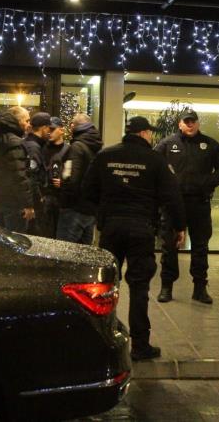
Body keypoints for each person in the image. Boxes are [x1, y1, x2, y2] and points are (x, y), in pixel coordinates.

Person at [83, 116, 186, 361]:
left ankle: (103, 341)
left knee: (106, 286)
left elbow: (87, 190)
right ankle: (140, 345)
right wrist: (179, 226)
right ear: (143, 133)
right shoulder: (155, 160)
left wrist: (103, 214)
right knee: (139, 287)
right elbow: (172, 196)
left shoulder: (105, 156)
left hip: (112, 228)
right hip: (141, 229)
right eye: (150, 133)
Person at [154, 109, 219, 304]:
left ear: (198, 123)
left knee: (200, 246)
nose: (189, 124)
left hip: (199, 203)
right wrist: (165, 186)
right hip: (173, 204)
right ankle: (166, 287)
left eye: (192, 121)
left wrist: (208, 183)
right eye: (186, 121)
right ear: (180, 124)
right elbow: (153, 165)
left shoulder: (210, 145)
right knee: (169, 247)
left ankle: (200, 288)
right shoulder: (168, 144)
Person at [0, 106, 34, 233]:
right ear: (18, 121)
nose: (29, 124)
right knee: (16, 239)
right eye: (26, 120)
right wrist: (28, 204)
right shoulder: (15, 142)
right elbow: (19, 176)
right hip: (14, 203)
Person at [56, 114, 102, 245]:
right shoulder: (97, 147)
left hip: (74, 209)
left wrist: (64, 200)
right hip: (90, 210)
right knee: (84, 252)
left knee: (64, 250)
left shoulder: (76, 147)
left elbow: (71, 178)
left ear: (73, 126)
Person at [23, 112, 52, 236]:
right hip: (34, 202)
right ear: (44, 128)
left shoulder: (32, 143)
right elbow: (31, 177)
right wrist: (34, 201)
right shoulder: (34, 147)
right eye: (49, 128)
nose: (50, 132)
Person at [41, 117, 69, 238]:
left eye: (52, 129)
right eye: (48, 129)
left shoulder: (69, 150)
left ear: (61, 130)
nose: (49, 132)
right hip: (45, 196)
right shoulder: (43, 149)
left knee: (61, 233)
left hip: (61, 198)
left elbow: (73, 172)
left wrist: (64, 182)